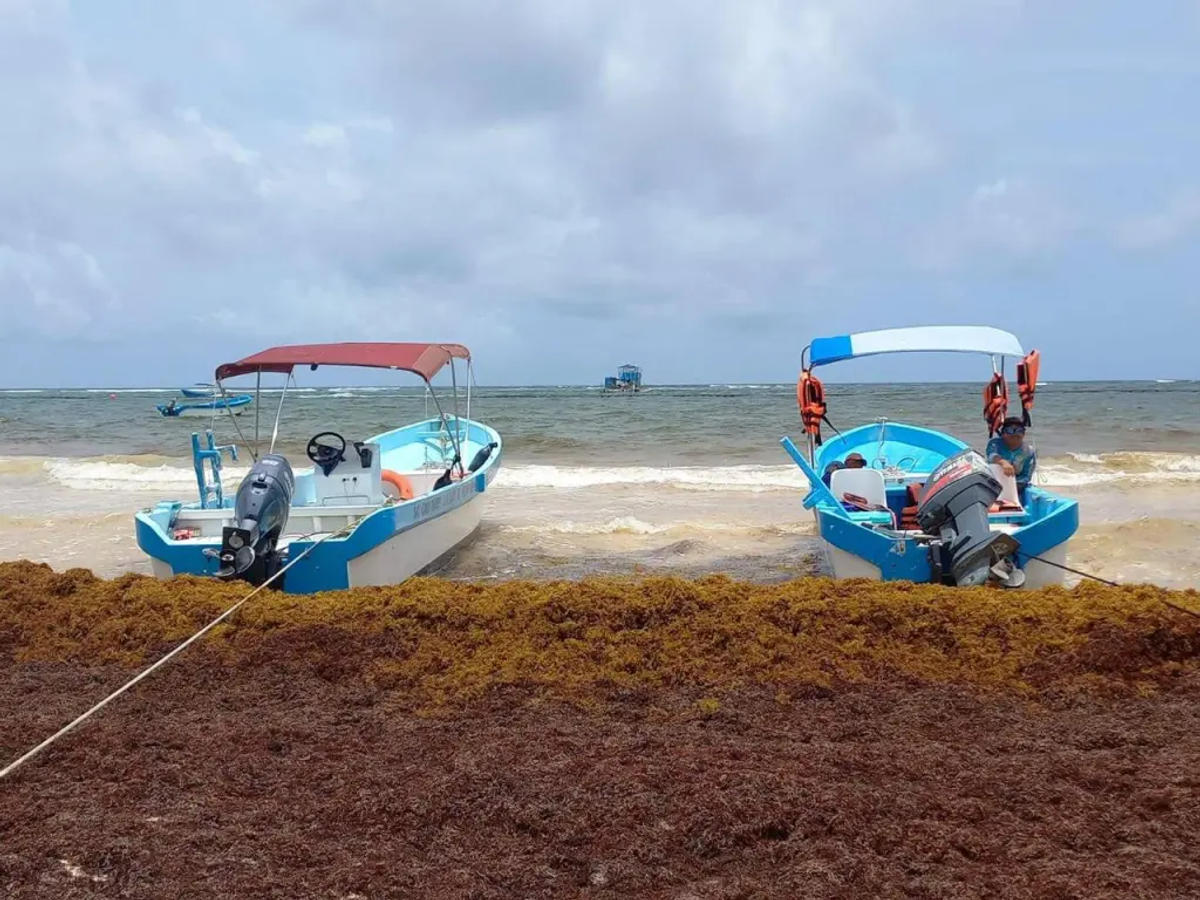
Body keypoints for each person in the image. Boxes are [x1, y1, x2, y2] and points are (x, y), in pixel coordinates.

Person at [987, 416, 1036, 499]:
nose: (1015, 434)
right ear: (1002, 434)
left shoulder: (1028, 451)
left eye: (1019, 431)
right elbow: (992, 455)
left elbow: (1026, 476)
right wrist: (1003, 462)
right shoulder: (995, 444)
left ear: (1023, 434)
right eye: (1010, 431)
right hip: (994, 482)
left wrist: (1011, 484)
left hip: (1016, 485)